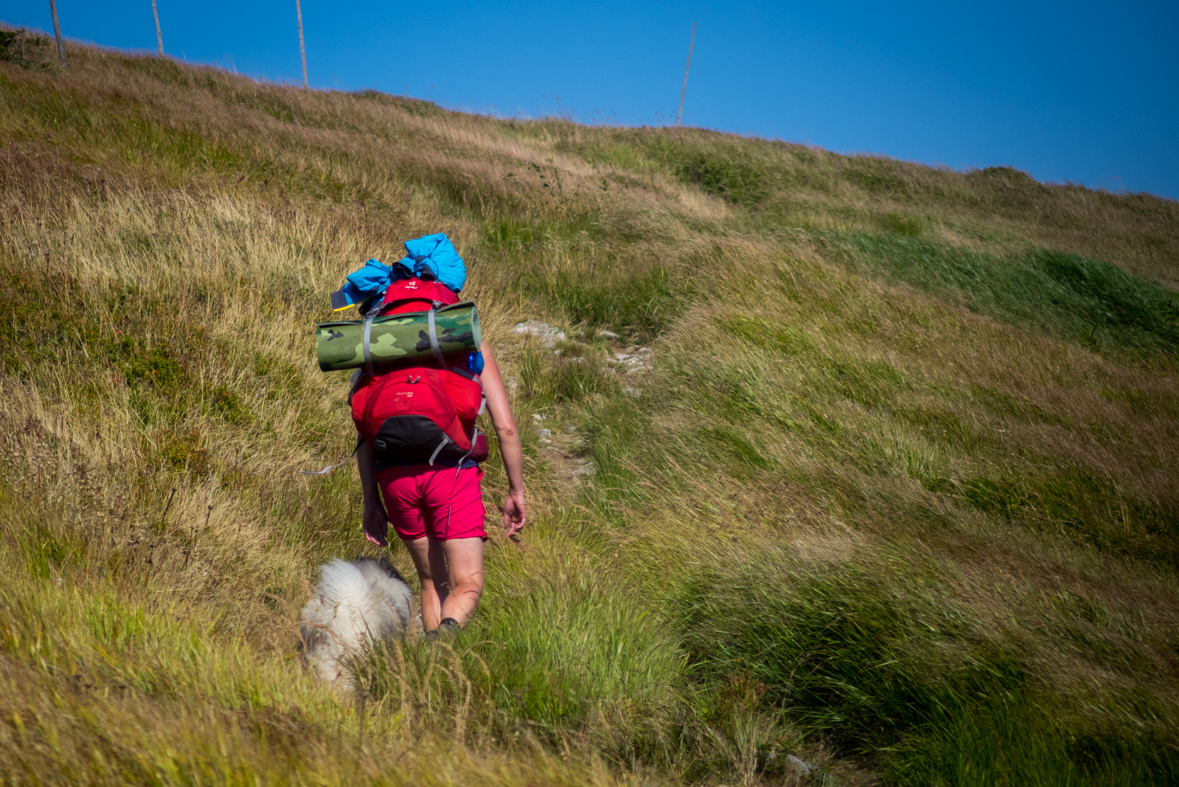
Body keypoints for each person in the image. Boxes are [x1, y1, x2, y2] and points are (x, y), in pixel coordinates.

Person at [355, 338, 526, 637]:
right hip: (451, 475)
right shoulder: (468, 342)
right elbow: (506, 428)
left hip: (395, 479)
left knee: (432, 582)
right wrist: (516, 492)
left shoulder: (378, 342)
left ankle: (433, 670)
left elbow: (364, 436)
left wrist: (371, 502)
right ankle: (446, 634)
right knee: (468, 582)